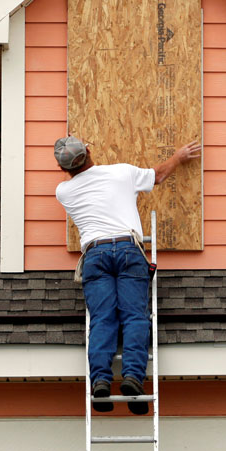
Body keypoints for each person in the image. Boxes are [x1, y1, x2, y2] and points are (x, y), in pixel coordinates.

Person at [53, 136, 201, 415]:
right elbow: (157, 176)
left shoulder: (64, 192)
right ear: (88, 150)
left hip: (94, 256)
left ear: (64, 169)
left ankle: (100, 381)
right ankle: (133, 377)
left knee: (102, 319)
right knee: (134, 316)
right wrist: (178, 157)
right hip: (127, 249)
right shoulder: (122, 173)